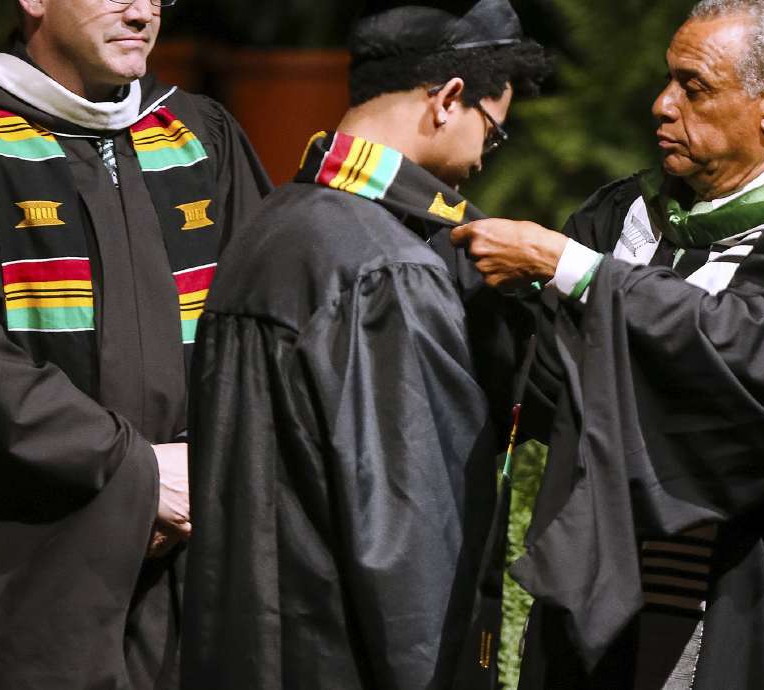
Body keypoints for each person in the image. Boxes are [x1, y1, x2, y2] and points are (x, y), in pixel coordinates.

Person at [451, 0, 764, 687]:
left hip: (740, 596)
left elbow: (745, 372)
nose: (663, 105)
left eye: (694, 88)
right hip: (609, 586)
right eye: (668, 81)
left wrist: (572, 270)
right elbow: (554, 374)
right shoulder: (629, 214)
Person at [0, 0, 270, 686]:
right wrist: (134, 472)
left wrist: (217, 459)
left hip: (197, 565)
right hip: (42, 581)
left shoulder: (199, 136)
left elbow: (265, 331)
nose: (143, 11)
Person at [181, 1, 551, 688]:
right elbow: (411, 547)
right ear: (447, 100)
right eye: (492, 134)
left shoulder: (263, 231)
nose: (479, 160)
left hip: (238, 646)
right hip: (341, 658)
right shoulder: (388, 271)